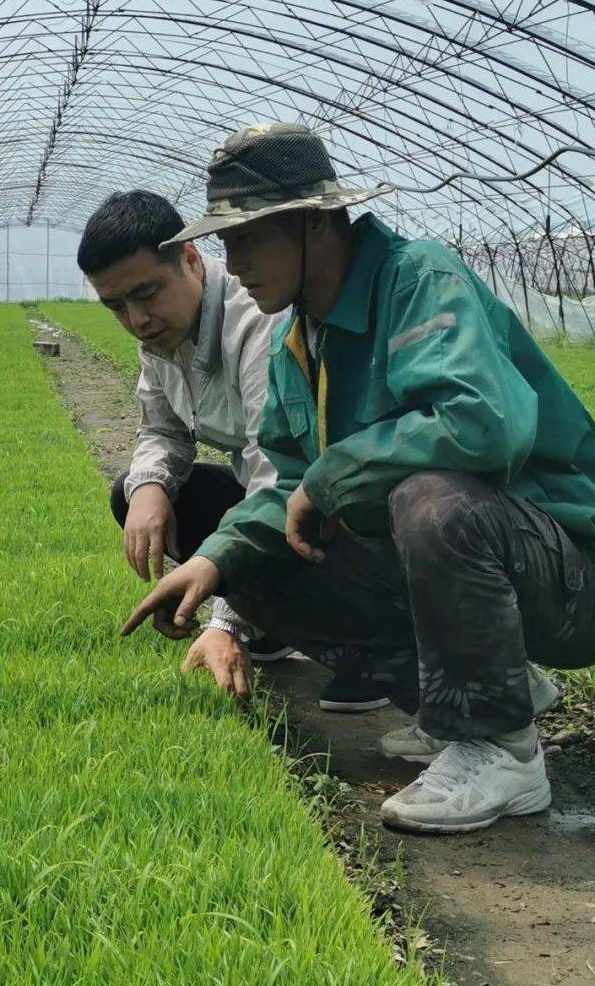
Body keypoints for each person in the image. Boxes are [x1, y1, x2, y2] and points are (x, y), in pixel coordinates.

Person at [121, 123, 595, 834]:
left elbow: (480, 426)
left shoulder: (417, 279)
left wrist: (334, 474)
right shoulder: (300, 339)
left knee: (430, 498)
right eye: (224, 242)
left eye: (245, 238)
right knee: (254, 557)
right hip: (484, 568)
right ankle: (453, 710)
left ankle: (501, 751)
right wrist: (213, 564)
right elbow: (286, 485)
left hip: (577, 579)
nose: (232, 261)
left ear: (311, 223)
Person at [77, 189, 392, 711]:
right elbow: (161, 428)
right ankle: (276, 625)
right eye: (117, 306)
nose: (137, 319)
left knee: (288, 517)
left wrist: (223, 619)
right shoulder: (160, 335)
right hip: (271, 496)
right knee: (137, 495)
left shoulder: (258, 322)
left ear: (192, 261)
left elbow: (280, 478)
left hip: (331, 503)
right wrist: (150, 487)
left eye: (146, 293)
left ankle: (373, 650)